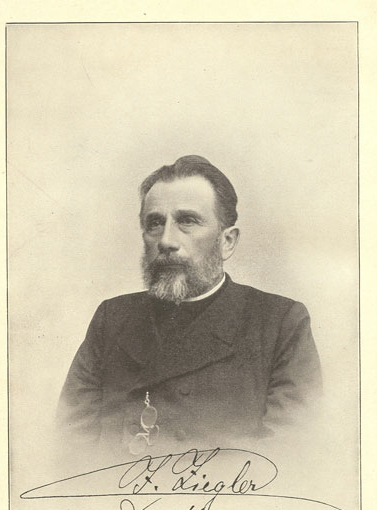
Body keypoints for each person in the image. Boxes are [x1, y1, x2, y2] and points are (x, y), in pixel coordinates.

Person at [57, 155, 321, 460]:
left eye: (187, 221)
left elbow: (287, 458)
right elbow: (68, 446)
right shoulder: (112, 319)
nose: (166, 240)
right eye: (155, 223)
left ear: (227, 241)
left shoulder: (280, 324)